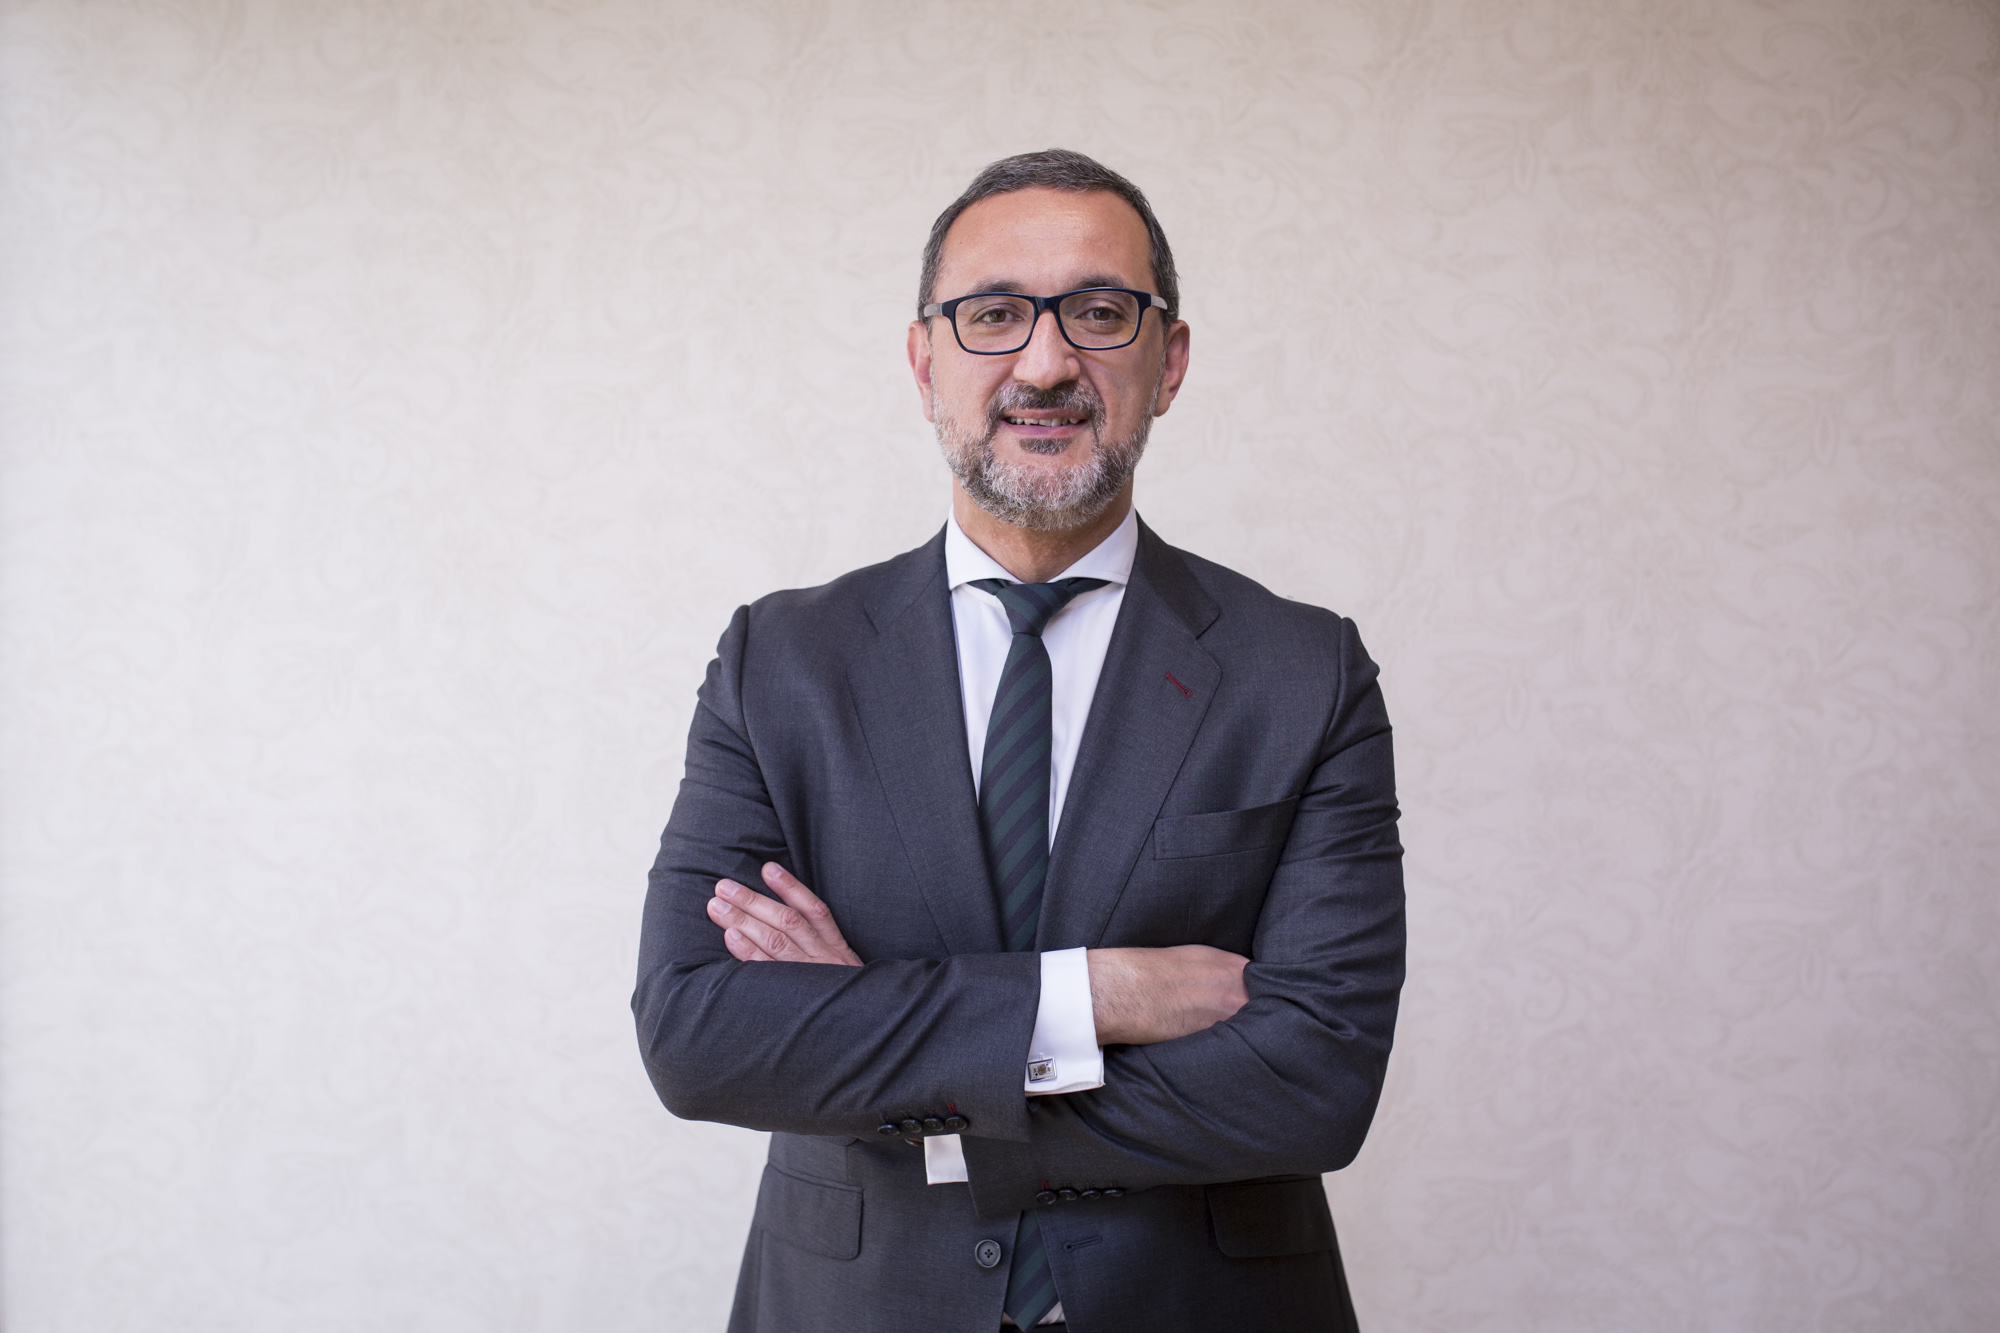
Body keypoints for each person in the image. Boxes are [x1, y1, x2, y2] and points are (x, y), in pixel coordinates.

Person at [633, 148, 1405, 1333]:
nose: (1044, 364)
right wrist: (1092, 995)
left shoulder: (1302, 671)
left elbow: (1313, 1084)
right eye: (992, 315)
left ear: (1168, 359)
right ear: (923, 362)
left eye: (1098, 312)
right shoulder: (778, 662)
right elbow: (699, 1036)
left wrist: (880, 1043)